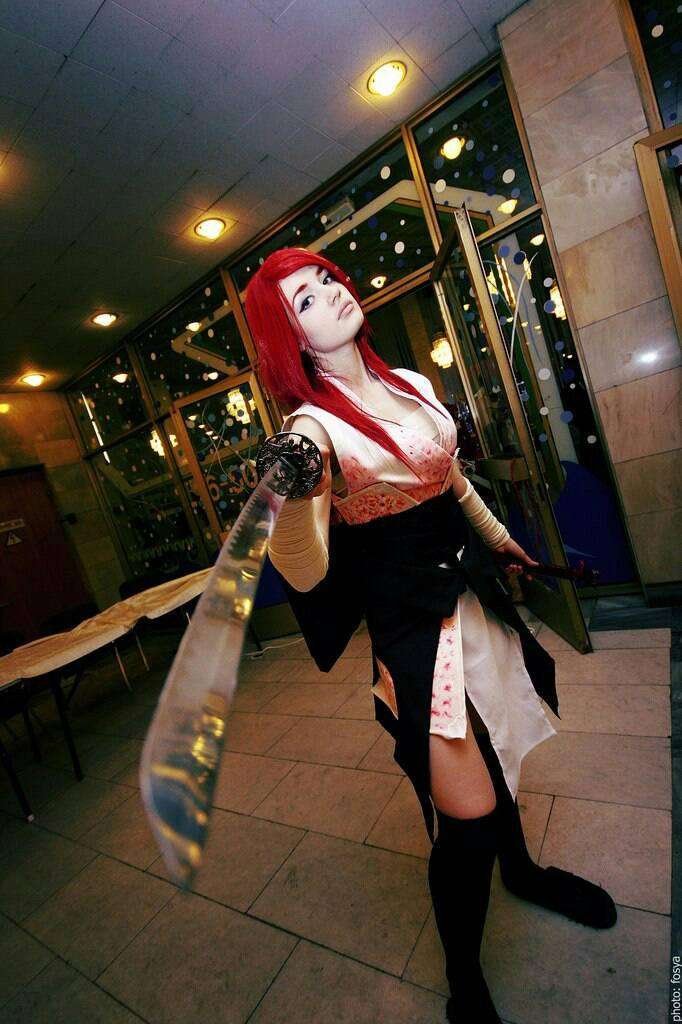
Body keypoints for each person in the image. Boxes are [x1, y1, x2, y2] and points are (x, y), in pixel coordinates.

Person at [245, 247, 617, 1023]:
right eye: (303, 300)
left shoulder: (409, 383)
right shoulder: (309, 430)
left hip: (469, 599)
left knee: (500, 749)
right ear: (290, 339)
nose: (329, 294)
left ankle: (523, 871)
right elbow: (303, 572)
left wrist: (501, 541)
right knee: (467, 816)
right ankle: (464, 982)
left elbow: (449, 478)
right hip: (414, 632)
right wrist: (294, 495)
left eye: (326, 280)